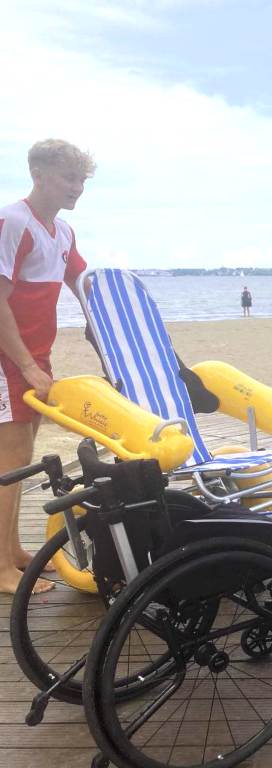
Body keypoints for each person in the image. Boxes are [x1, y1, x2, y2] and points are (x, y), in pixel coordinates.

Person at [0, 139, 95, 594]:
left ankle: (12, 551)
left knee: (20, 455)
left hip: (34, 357)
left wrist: (114, 331)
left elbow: (85, 285)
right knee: (10, 458)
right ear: (39, 173)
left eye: (81, 180)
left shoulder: (62, 233)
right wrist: (23, 364)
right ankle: (0, 567)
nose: (77, 188)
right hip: (6, 358)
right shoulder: (12, 221)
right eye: (68, 178)